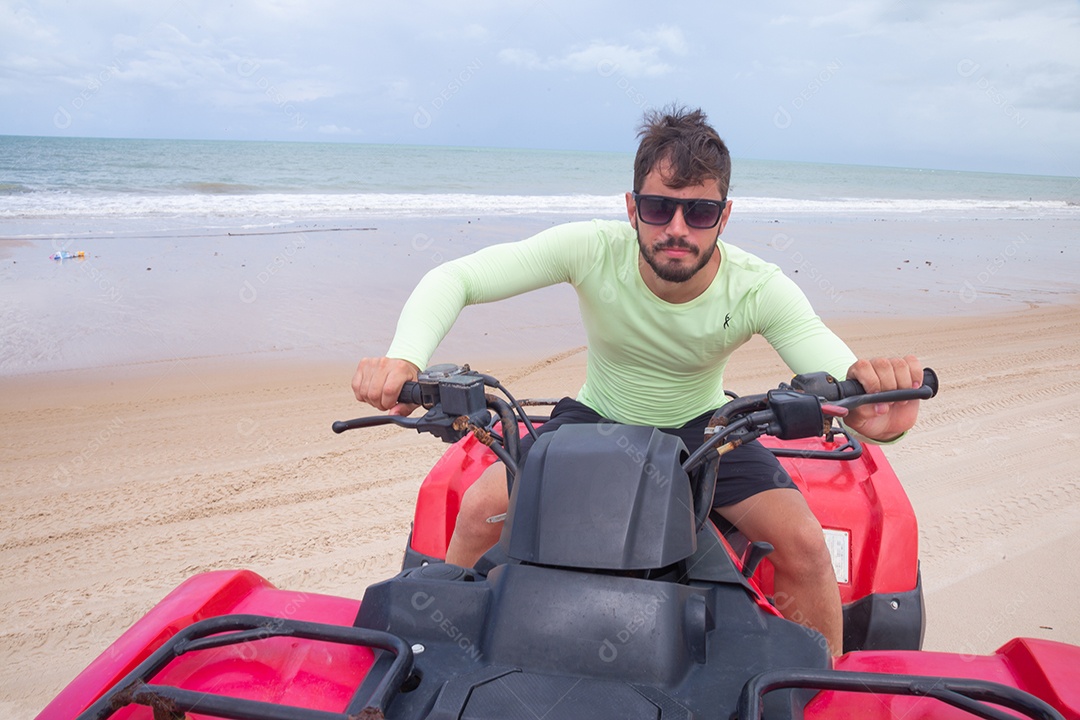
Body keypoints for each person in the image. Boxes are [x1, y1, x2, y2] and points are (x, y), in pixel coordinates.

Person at [352, 105, 923, 656]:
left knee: (805, 547)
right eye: (658, 208)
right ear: (631, 208)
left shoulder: (757, 288)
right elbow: (459, 278)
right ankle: (440, 660)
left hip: (706, 429)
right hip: (595, 418)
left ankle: (814, 692)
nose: (677, 229)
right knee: (478, 514)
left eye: (699, 213)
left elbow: (844, 381)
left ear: (724, 216)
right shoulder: (592, 249)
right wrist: (404, 358)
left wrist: (881, 417)